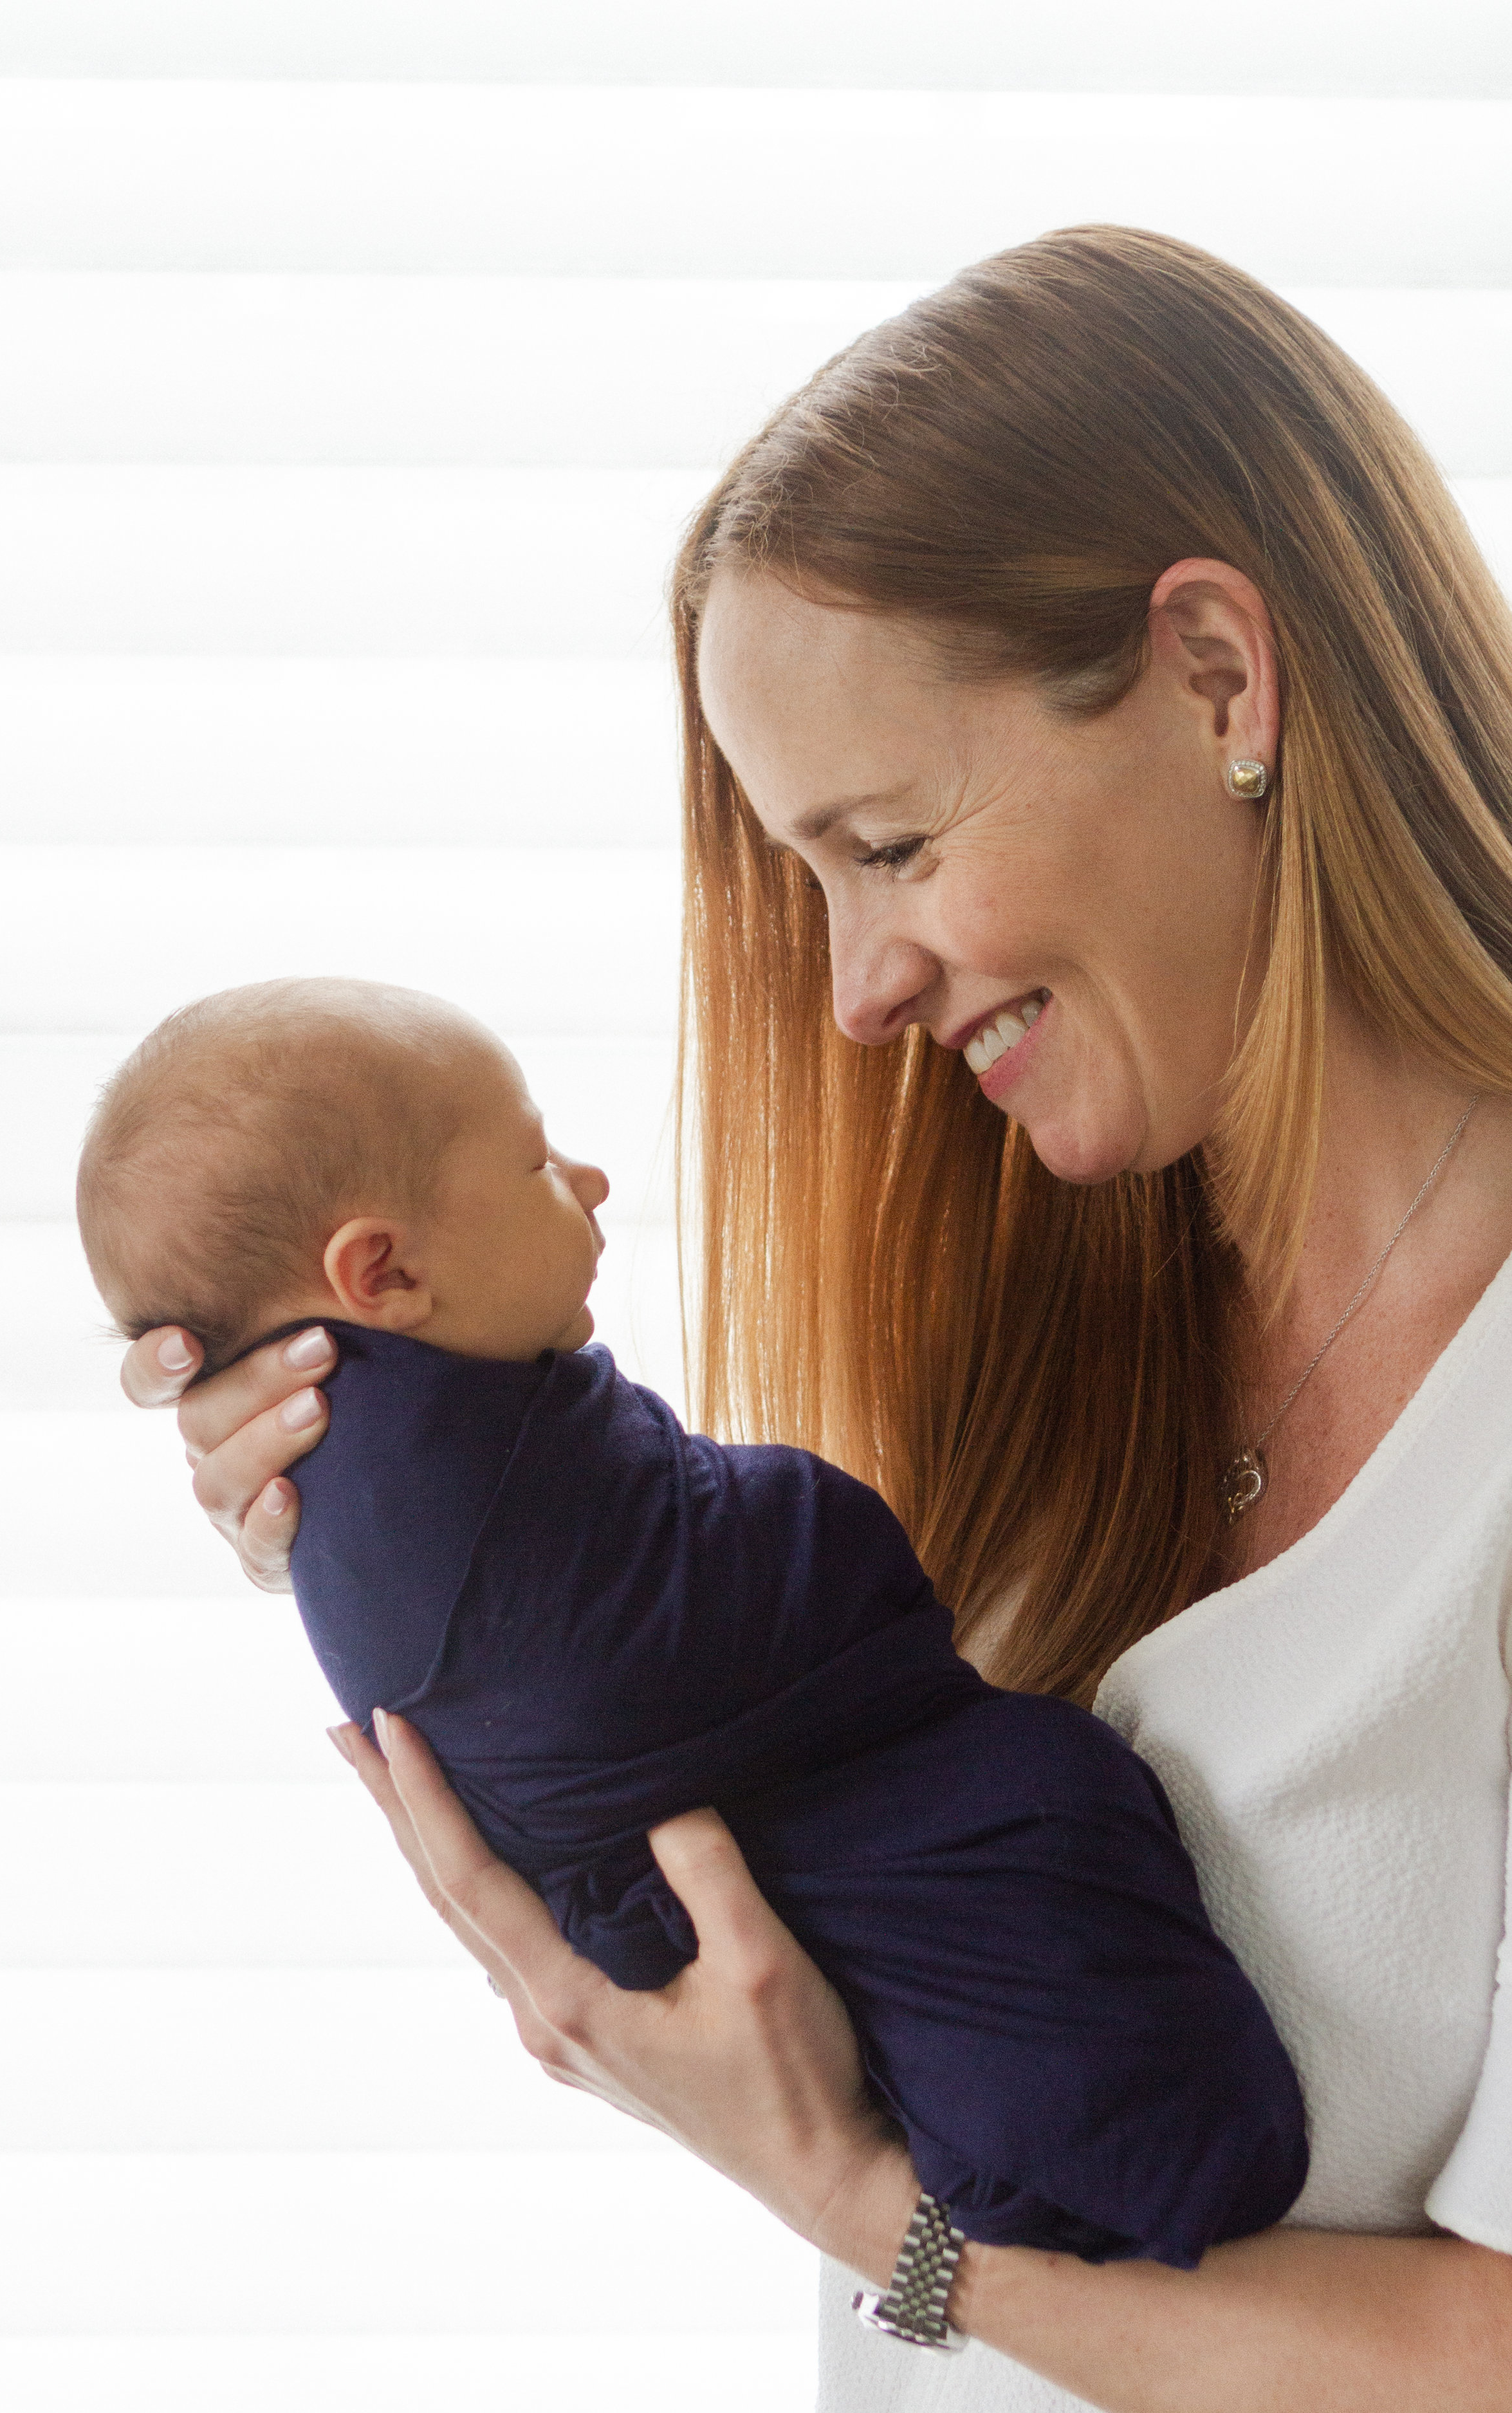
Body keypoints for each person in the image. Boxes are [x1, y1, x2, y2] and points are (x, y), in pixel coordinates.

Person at [119, 227, 1512, 2407]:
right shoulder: (1079, 1335)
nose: (856, 990)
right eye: (812, 879)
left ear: (1221, 680)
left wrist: (876, 2222)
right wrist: (377, 1496)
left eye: (888, 843)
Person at [77, 976, 1307, 2280]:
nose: (592, 1179)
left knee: (1040, 1842)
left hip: (767, 1880)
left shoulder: (428, 1441)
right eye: (537, 1160)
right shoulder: (397, 1482)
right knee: (1046, 1845)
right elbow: (741, 1598)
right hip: (724, 1861)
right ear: (381, 1273)